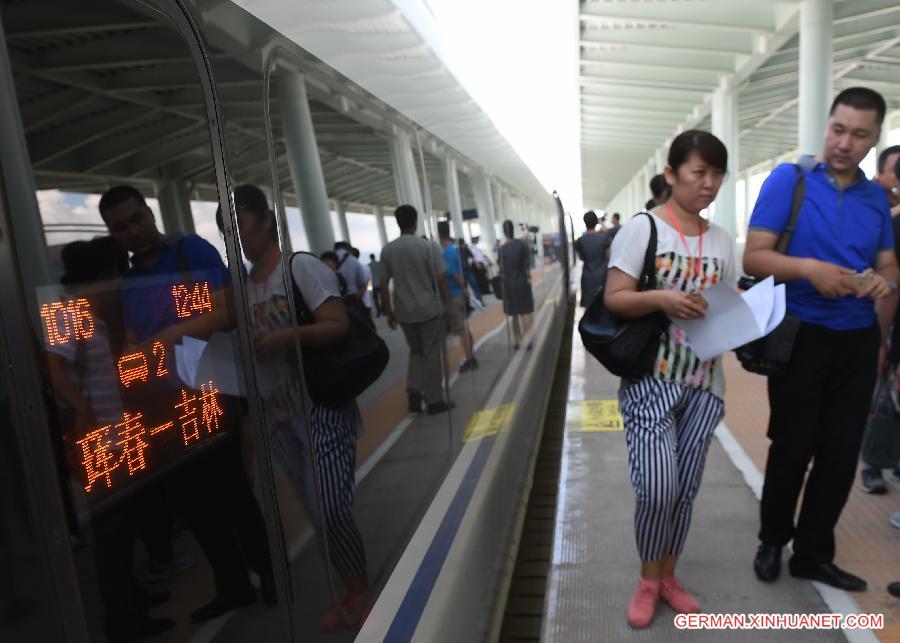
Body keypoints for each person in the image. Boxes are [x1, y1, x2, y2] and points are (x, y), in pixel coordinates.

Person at [744, 87, 899, 593]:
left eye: (859, 135)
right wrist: (809, 270)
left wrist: (885, 285)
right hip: (799, 337)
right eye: (838, 129)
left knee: (839, 454)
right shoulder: (789, 180)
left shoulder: (876, 198)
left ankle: (813, 553)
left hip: (856, 340)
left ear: (875, 139)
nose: (844, 143)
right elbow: (755, 257)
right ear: (826, 126)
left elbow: (888, 264)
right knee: (792, 447)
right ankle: (772, 539)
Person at [99, 184, 276, 622]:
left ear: (150, 214)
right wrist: (131, 353)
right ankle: (232, 584)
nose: (133, 231)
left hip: (207, 391)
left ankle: (271, 577)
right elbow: (132, 336)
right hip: (162, 403)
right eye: (120, 227)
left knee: (231, 491)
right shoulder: (128, 281)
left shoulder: (188, 253)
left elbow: (226, 311)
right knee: (194, 505)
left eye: (137, 219)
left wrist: (164, 340)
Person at [217, 184, 369, 630]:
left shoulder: (300, 268)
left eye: (241, 225)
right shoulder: (244, 288)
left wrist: (287, 337)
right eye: (228, 232)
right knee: (317, 510)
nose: (238, 238)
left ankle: (358, 588)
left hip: (321, 407)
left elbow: (337, 325)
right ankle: (352, 583)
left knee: (331, 507)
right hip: (280, 417)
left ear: (267, 221)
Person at [604, 130, 735, 628]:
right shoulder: (644, 229)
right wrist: (662, 299)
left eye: (717, 174)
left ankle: (668, 575)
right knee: (657, 488)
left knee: (685, 490)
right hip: (651, 380)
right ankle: (647, 577)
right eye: (699, 172)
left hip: (705, 383)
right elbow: (616, 296)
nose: (709, 183)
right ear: (672, 174)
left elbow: (725, 303)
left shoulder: (721, 239)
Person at [380, 205, 453, 415]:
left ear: (398, 222)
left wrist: (389, 312)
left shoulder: (388, 250)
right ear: (415, 222)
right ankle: (434, 400)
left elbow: (384, 284)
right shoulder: (427, 247)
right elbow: (440, 278)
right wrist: (448, 303)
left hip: (404, 312)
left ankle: (413, 392)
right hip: (428, 309)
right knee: (431, 353)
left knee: (416, 352)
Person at [861, 143, 900, 495]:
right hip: (889, 329)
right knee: (880, 401)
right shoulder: (887, 222)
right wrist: (882, 340)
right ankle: (873, 463)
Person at [439, 223, 477, 372]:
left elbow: (454, 274)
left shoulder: (446, 253)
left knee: (461, 330)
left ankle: (470, 359)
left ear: (438, 234)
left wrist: (462, 289)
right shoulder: (454, 251)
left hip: (454, 296)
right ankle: (471, 356)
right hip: (459, 294)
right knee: (464, 329)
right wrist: (465, 290)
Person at [499, 219, 534, 349]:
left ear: (504, 232)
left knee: (513, 314)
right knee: (524, 312)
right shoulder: (522, 245)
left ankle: (517, 341)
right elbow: (526, 264)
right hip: (522, 282)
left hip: (509, 284)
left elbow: (501, 268)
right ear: (513, 230)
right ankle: (529, 341)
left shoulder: (502, 249)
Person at [574, 211, 610, 307]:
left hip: (587, 277)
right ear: (596, 222)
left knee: (589, 308)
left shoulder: (580, 241)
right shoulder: (604, 237)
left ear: (585, 223)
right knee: (602, 305)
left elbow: (581, 258)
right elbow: (609, 256)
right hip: (603, 276)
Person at [335, 242, 371, 322]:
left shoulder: (328, 260)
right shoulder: (353, 260)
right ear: (349, 249)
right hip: (352, 298)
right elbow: (362, 283)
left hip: (335, 301)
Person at [458, 238, 484, 306]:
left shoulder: (465, 250)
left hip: (467, 270)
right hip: (463, 271)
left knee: (474, 286)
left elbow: (472, 257)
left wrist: (476, 264)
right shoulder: (457, 251)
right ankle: (468, 304)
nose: (464, 245)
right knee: (467, 287)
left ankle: (479, 301)